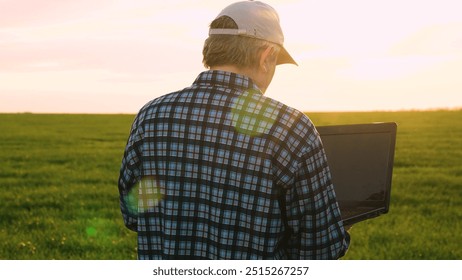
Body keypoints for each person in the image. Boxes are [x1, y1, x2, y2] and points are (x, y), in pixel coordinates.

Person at [118, 0, 350, 260]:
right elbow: (320, 247)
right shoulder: (291, 127)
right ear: (266, 56)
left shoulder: (150, 116)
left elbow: (132, 214)